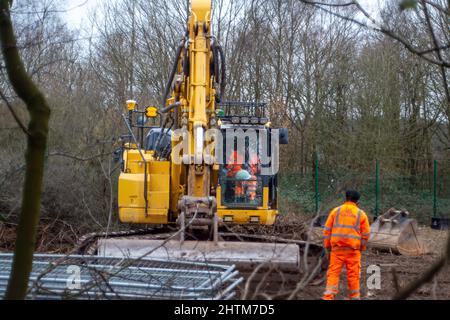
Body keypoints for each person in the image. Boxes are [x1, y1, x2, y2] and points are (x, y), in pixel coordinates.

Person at [322, 190, 371, 300]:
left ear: (346, 198)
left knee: (333, 273)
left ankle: (328, 297)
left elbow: (327, 230)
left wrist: (328, 246)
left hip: (337, 249)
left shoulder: (335, 211)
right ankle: (354, 297)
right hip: (353, 250)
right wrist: (361, 248)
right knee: (353, 275)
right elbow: (366, 234)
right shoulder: (361, 214)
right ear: (357, 201)